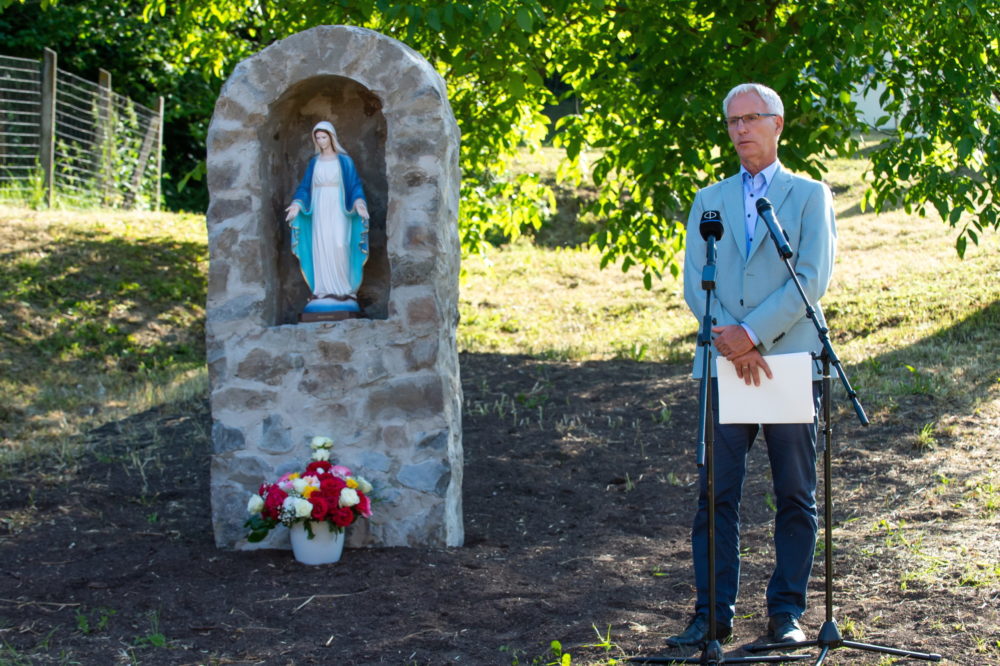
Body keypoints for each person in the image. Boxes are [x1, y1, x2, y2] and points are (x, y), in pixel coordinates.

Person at [670, 83, 837, 648]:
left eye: (752, 118)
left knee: (795, 494)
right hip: (724, 364)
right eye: (733, 121)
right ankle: (711, 616)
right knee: (715, 495)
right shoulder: (708, 199)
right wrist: (731, 341)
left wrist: (753, 336)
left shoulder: (809, 195)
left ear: (777, 124)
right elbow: (696, 281)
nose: (740, 129)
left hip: (786, 362)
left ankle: (786, 614)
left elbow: (810, 277)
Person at [286, 121, 370, 315]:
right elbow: (305, 187)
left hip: (339, 208)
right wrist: (297, 204)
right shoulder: (314, 162)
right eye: (318, 138)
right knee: (322, 246)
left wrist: (359, 203)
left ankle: (344, 290)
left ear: (331, 138)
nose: (321, 141)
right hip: (320, 207)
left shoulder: (344, 161)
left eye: (324, 137)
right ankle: (322, 290)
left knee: (340, 244)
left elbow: (355, 185)